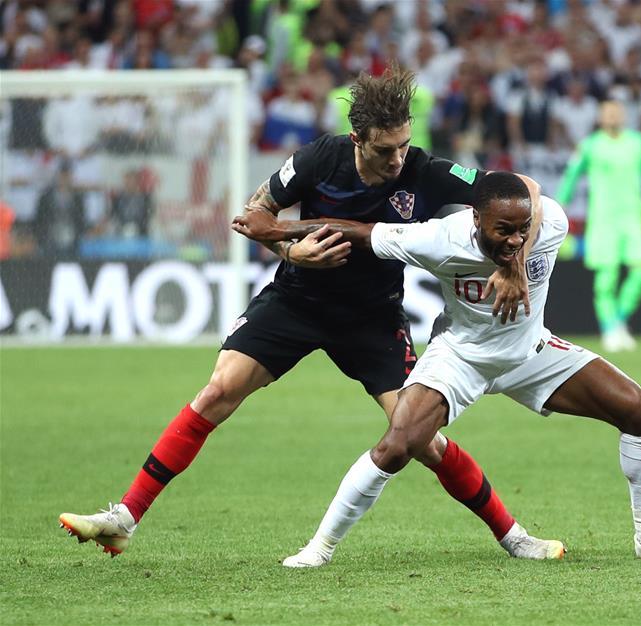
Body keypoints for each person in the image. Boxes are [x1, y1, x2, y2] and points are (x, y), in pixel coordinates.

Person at [59, 67, 562, 562]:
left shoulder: (424, 170)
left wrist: (515, 265)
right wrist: (289, 253)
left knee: (421, 439)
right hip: (298, 300)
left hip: (373, 317)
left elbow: (526, 191)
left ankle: (513, 536)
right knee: (217, 391)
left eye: (404, 145)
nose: (397, 159)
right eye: (385, 149)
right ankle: (125, 518)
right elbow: (254, 213)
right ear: (356, 139)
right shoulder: (320, 159)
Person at [231, 172, 641, 567]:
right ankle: (319, 549)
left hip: (530, 353)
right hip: (460, 356)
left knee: (639, 410)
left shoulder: (548, 226)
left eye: (522, 228)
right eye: (503, 229)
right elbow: (357, 230)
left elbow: (535, 197)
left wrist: (515, 263)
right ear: (474, 218)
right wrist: (277, 230)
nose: (516, 237)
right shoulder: (439, 239)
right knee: (398, 445)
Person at [556, 100, 641, 353]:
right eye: (607, 112)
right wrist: (559, 207)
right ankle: (610, 330)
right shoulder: (590, 145)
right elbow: (571, 177)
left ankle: (618, 322)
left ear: (625, 115)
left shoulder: (638, 143)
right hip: (603, 219)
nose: (613, 116)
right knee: (607, 278)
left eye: (617, 111)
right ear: (600, 117)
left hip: (633, 218)